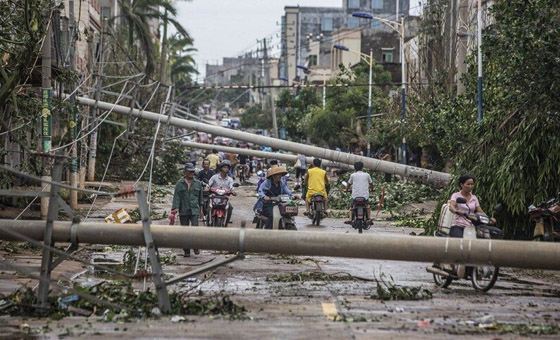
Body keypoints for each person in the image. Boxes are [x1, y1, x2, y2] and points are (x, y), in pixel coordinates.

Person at [170, 163, 203, 257]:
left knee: (195, 229)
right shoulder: (179, 183)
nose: (191, 173)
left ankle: (196, 246)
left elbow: (200, 198)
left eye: (193, 171)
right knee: (184, 231)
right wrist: (174, 209)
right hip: (183, 209)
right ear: (185, 172)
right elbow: (176, 197)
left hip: (194, 210)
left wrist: (201, 210)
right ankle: (186, 250)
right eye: (189, 171)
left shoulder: (198, 183)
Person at [208, 161, 236, 225]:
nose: (226, 169)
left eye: (227, 168)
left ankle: (226, 222)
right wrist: (207, 188)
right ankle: (208, 219)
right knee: (209, 206)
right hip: (214, 197)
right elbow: (208, 185)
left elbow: (231, 187)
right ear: (221, 168)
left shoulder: (230, 179)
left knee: (230, 207)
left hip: (224, 198)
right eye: (225, 167)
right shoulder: (214, 177)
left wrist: (233, 191)